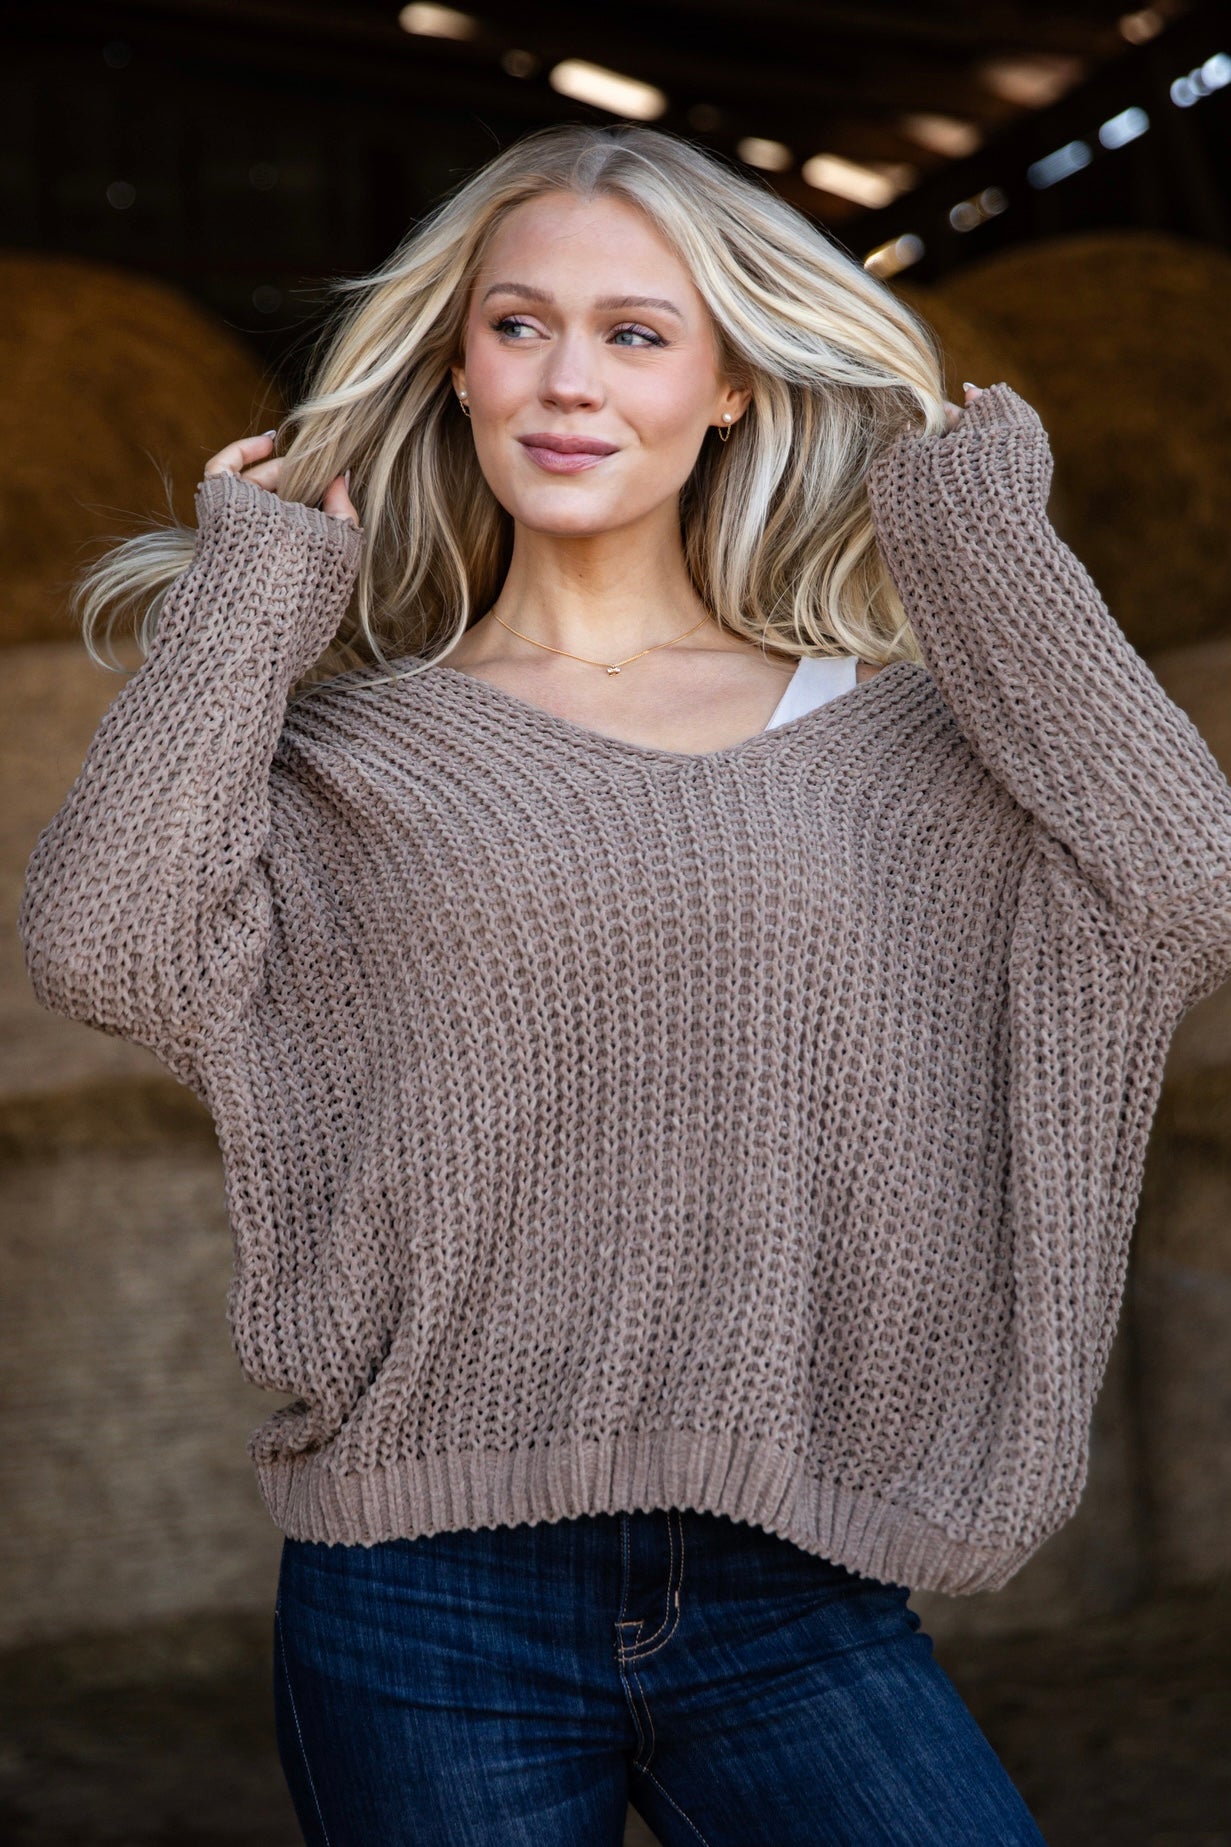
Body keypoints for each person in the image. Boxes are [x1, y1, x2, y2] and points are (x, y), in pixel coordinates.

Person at [18, 123, 1231, 1846]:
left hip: (796, 1592)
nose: (567, 382)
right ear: (457, 363)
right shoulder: (349, 754)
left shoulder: (891, 741)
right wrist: (250, 596)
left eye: (638, 333)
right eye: (519, 326)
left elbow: (1187, 879)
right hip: (423, 1598)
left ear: (733, 382)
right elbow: (102, 943)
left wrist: (981, 546)